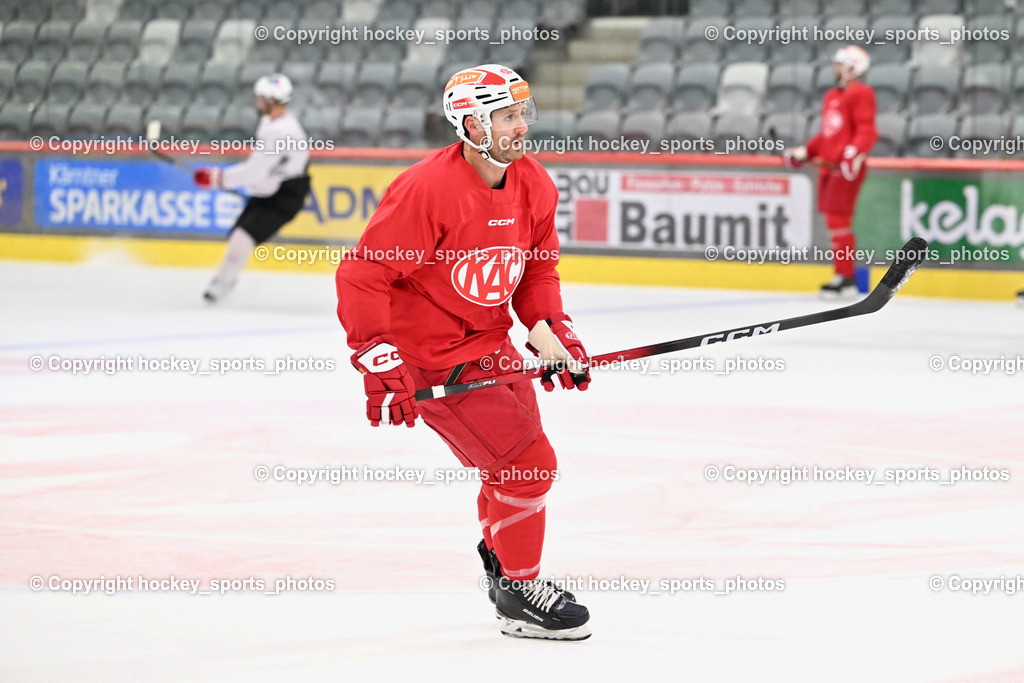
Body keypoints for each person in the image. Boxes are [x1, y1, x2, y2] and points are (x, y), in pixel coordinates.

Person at [335, 64, 592, 641]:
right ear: (471, 124)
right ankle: (521, 591)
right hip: (434, 358)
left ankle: (505, 563)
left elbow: (536, 272)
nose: (521, 126)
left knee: (508, 466)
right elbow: (362, 276)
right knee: (529, 467)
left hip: (491, 344)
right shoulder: (428, 189)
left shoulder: (535, 184)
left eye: (523, 112)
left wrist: (551, 332)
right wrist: (378, 358)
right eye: (507, 116)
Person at [193, 73, 311, 302]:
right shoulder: (271, 121)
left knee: (243, 236)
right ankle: (223, 283)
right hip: (274, 188)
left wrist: (216, 178)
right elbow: (264, 169)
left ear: (271, 101)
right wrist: (255, 186)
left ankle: (221, 286)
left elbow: (255, 170)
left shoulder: (280, 131)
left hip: (286, 193)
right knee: (239, 234)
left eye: (260, 98)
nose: (256, 102)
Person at [784, 46, 878, 298]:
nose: (835, 68)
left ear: (851, 67)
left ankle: (846, 277)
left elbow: (866, 130)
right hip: (829, 169)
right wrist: (806, 152)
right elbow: (828, 134)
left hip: (846, 169)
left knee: (839, 222)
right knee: (834, 223)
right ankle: (843, 275)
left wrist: (853, 154)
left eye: (839, 64)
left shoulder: (862, 93)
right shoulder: (832, 96)